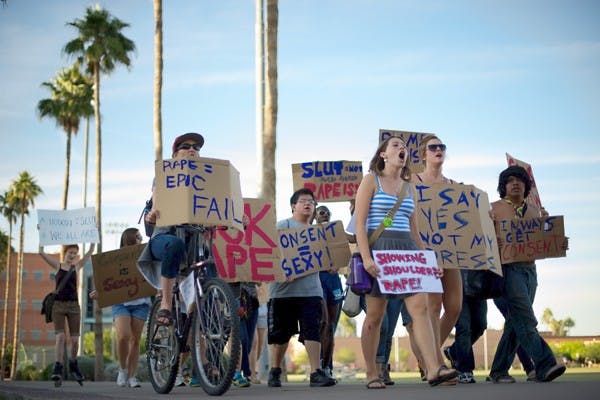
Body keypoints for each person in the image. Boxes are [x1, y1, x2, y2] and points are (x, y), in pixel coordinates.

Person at [354, 135, 457, 388]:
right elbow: (360, 223)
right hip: (380, 250)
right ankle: (371, 373)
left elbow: (415, 231)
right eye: (396, 146)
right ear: (383, 155)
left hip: (408, 253)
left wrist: (428, 260)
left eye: (404, 146)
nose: (402, 149)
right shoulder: (370, 181)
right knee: (375, 317)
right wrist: (366, 258)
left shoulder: (410, 187)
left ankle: (433, 368)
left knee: (420, 309)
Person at [488, 165, 567, 383]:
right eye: (510, 180)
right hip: (507, 269)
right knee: (526, 317)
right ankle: (545, 364)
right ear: (503, 186)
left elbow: (547, 240)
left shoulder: (536, 211)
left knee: (516, 321)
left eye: (519, 180)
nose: (515, 184)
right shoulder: (492, 209)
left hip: (530, 270)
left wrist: (558, 241)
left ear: (527, 185)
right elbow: (482, 240)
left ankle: (498, 371)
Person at [267, 188, 336, 388]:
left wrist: (331, 265)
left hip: (311, 291)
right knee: (281, 335)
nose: (308, 204)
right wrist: (281, 271)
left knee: (313, 330)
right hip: (282, 292)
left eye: (312, 202)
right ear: (293, 206)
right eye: (303, 201)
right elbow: (269, 255)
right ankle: (275, 370)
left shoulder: (319, 233)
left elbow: (329, 258)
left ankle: (316, 372)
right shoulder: (282, 227)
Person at [137, 132, 205, 325]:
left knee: (214, 261)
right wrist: (153, 215)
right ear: (175, 155)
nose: (192, 149)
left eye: (196, 147)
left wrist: (236, 217)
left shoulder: (210, 181)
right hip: (165, 237)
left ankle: (222, 308)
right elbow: (157, 201)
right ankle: (166, 304)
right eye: (186, 146)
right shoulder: (165, 175)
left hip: (195, 242)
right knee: (174, 244)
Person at [412, 134, 462, 364]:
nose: (438, 150)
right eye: (433, 147)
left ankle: (427, 355)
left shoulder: (454, 186)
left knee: (454, 307)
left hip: (450, 253)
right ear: (424, 154)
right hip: (424, 252)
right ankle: (436, 363)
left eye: (442, 146)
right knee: (433, 307)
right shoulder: (412, 182)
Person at [90, 228, 150, 388]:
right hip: (121, 303)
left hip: (141, 303)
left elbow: (153, 274)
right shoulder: (115, 258)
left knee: (135, 340)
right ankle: (122, 369)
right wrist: (101, 291)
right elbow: (108, 278)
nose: (140, 239)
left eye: (140, 236)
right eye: (137, 236)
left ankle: (132, 376)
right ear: (128, 239)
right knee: (123, 335)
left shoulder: (146, 255)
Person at [39, 242, 95, 382]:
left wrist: (92, 243)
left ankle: (73, 365)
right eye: (71, 252)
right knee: (61, 337)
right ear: (65, 252)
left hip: (74, 306)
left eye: (75, 253)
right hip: (58, 305)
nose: (73, 255)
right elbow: (41, 252)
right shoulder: (57, 265)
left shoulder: (76, 267)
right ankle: (58, 367)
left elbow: (89, 253)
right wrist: (42, 236)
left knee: (75, 339)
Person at [314, 205, 344, 379]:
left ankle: (327, 366)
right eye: (321, 212)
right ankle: (320, 364)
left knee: (331, 326)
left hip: (334, 281)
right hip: (317, 279)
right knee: (324, 323)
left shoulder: (336, 232)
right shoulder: (308, 233)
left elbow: (352, 240)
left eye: (327, 213)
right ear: (315, 216)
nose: (325, 215)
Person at [442, 269, 488, 384]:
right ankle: (464, 369)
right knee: (463, 327)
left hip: (478, 282)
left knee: (480, 325)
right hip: (457, 283)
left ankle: (453, 351)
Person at [249, 282, 269, 383]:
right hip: (249, 301)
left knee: (260, 345)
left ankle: (249, 368)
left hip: (263, 303)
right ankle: (252, 374)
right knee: (254, 342)